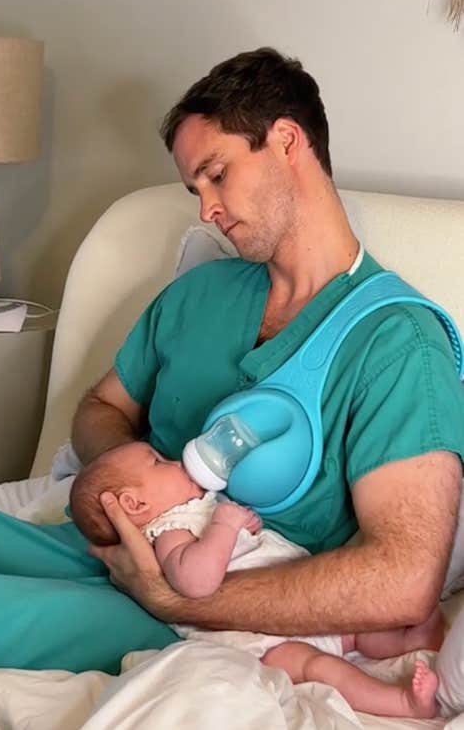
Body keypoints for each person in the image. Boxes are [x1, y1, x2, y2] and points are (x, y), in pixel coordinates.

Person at [73, 47, 464, 643]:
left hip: (204, 608)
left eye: (217, 174)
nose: (207, 211)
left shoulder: (398, 344)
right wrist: (140, 496)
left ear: (286, 141)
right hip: (108, 548)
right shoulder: (198, 295)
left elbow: (403, 581)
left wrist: (168, 594)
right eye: (195, 190)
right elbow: (101, 409)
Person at [70, 442, 443, 719]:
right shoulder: (168, 532)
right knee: (321, 669)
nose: (175, 461)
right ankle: (402, 703)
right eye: (159, 463)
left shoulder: (195, 509)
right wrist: (225, 526)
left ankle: (415, 637)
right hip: (265, 643)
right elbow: (196, 582)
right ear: (135, 505)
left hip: (297, 608)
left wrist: (238, 525)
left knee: (362, 627)